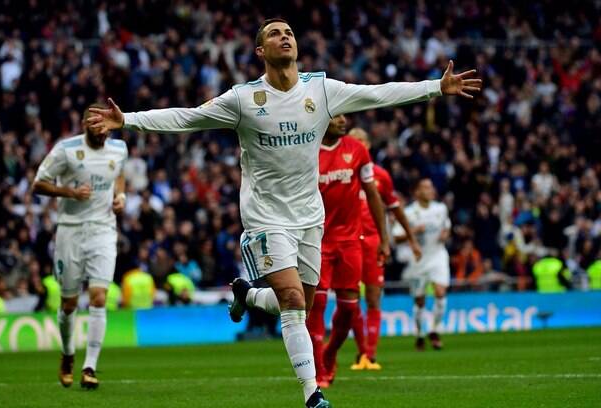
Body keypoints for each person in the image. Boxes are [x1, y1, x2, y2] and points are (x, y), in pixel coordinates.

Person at [86, 18, 480, 407]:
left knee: (298, 302)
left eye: (289, 32)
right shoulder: (243, 99)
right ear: (261, 51)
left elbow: (378, 94)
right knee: (293, 300)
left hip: (310, 217)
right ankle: (313, 394)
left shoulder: (322, 90)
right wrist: (129, 121)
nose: (285, 37)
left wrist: (435, 88)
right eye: (275, 34)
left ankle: (250, 295)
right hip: (264, 217)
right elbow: (187, 117)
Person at [32, 103, 128, 389]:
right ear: (85, 125)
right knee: (69, 303)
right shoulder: (66, 150)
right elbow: (38, 184)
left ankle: (90, 367)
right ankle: (67, 354)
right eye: (95, 127)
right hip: (70, 233)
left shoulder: (119, 149)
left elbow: (119, 175)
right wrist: (70, 192)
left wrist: (120, 196)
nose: (101, 133)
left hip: (103, 230)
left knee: (99, 297)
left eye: (105, 128)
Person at [305, 114, 389, 387]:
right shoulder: (307, 150)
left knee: (349, 308)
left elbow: (372, 194)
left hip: (351, 241)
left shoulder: (357, 150)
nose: (343, 120)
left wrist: (384, 238)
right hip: (316, 240)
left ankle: (330, 353)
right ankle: (318, 370)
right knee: (316, 305)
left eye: (344, 115)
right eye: (336, 116)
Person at [347, 127, 421, 370]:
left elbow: (395, 208)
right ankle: (360, 352)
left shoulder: (380, 176)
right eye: (352, 141)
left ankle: (371, 354)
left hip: (372, 243)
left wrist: (410, 238)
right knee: (350, 299)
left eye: (360, 141)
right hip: (346, 242)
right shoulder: (340, 173)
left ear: (367, 146)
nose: (356, 145)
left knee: (373, 297)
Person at [393, 178, 451, 351]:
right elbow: (396, 237)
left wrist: (444, 235)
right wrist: (413, 232)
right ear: (417, 192)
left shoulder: (441, 208)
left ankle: (434, 330)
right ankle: (419, 334)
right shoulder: (409, 213)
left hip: (438, 254)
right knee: (420, 301)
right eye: (425, 187)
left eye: (431, 186)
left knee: (440, 292)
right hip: (418, 259)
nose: (430, 190)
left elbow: (446, 226)